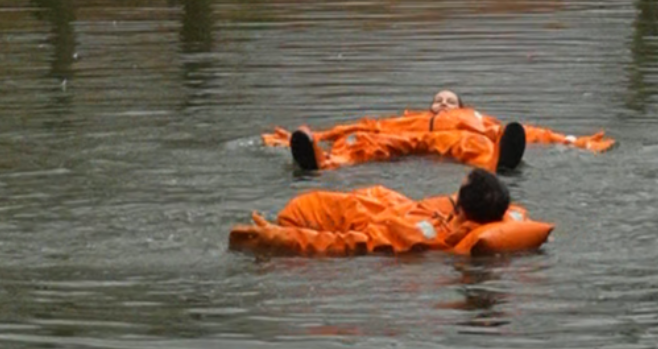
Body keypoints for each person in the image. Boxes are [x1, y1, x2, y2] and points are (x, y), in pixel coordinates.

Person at [229, 165, 548, 256]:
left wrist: (281, 238)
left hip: (326, 215)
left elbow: (351, 242)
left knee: (310, 209)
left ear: (463, 211)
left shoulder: (420, 235)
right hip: (390, 203)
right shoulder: (504, 210)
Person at [269, 100, 609, 170]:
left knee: (475, 144)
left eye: (450, 99)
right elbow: (366, 125)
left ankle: (498, 161)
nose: (443, 102)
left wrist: (574, 141)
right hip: (409, 141)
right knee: (366, 141)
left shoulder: (472, 119)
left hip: (455, 141)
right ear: (429, 106)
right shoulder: (413, 119)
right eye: (438, 99)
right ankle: (321, 160)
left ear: (462, 105)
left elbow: (532, 132)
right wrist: (322, 135)